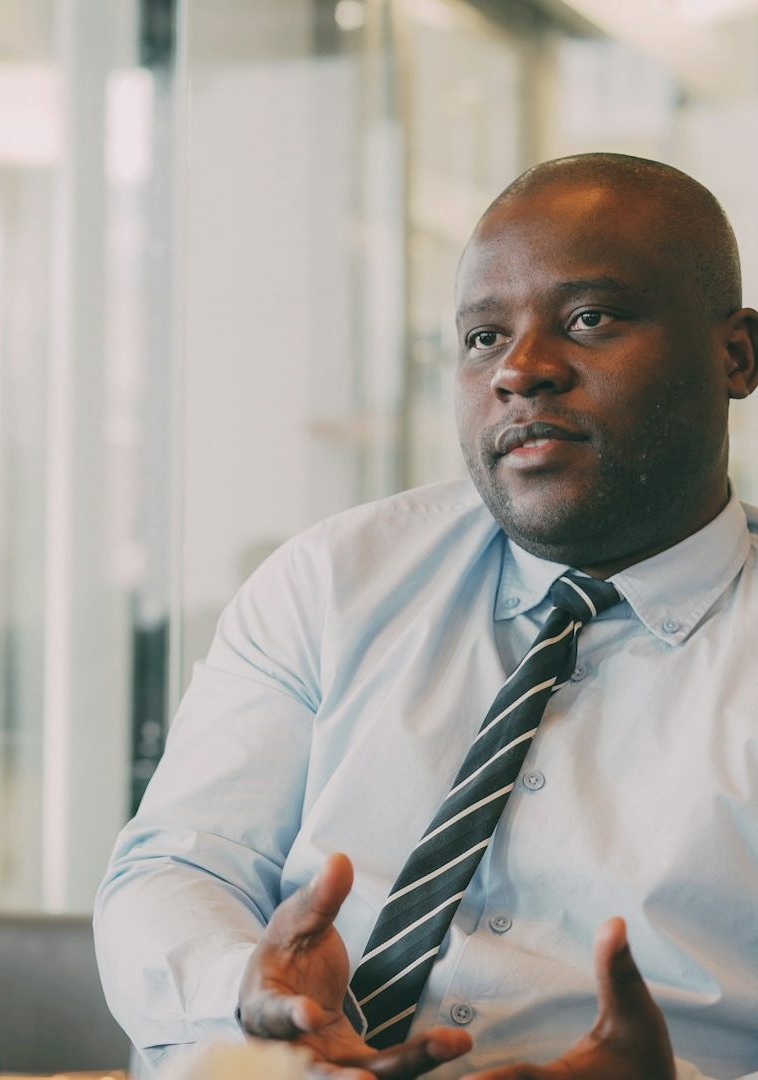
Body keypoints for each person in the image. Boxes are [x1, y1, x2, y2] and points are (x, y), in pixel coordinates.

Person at [93, 153, 758, 1080]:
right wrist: (249, 990)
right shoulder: (335, 580)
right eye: (484, 337)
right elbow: (176, 868)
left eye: (589, 319)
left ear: (737, 356)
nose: (522, 370)